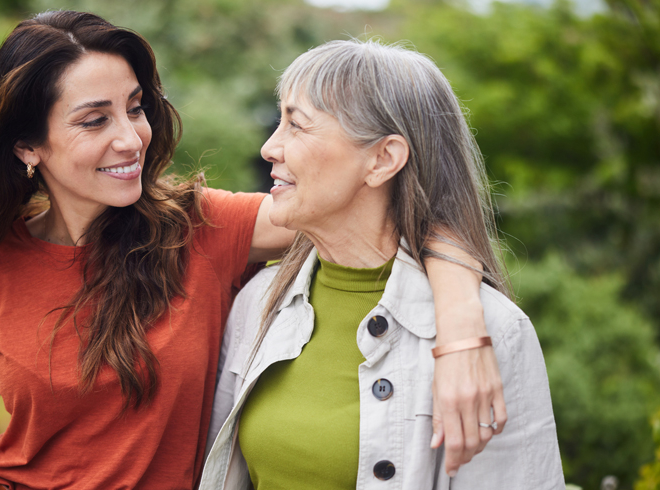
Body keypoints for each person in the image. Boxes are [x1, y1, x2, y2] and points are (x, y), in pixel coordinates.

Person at [0, 11, 503, 490]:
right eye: (94, 120)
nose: (130, 137)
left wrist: (462, 335)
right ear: (28, 146)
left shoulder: (200, 228)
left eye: (135, 107)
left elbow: (395, 206)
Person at [200, 39, 565, 489]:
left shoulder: (494, 331)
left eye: (297, 125)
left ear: (382, 159)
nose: (270, 148)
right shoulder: (258, 304)